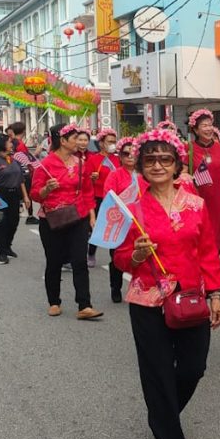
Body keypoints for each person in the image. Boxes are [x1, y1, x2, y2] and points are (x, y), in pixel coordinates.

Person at [113, 128, 220, 439]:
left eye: (165, 159)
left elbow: (207, 251)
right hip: (148, 300)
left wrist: (216, 293)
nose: (158, 165)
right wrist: (135, 256)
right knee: (158, 371)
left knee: (194, 367)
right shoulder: (130, 207)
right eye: (150, 159)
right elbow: (119, 257)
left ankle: (163, 413)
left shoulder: (195, 204)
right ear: (141, 166)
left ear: (177, 164)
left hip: (191, 297)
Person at [31, 123, 103, 321]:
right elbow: (35, 194)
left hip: (77, 217)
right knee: (54, 261)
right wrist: (47, 189)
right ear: (62, 141)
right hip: (52, 220)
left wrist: (91, 216)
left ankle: (84, 305)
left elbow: (88, 191)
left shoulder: (81, 163)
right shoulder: (45, 164)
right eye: (74, 139)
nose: (79, 142)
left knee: (80, 261)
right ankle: (54, 301)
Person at [187, 109, 220, 271]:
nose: (208, 128)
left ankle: (212, 269)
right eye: (203, 125)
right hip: (197, 199)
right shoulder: (189, 148)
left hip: (218, 199)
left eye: (210, 125)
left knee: (217, 233)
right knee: (199, 234)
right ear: (196, 129)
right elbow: (183, 173)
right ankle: (198, 267)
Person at [103, 137, 145, 304]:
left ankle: (140, 287)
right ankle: (115, 286)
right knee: (117, 258)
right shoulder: (115, 175)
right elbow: (109, 197)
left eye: (133, 153)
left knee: (141, 256)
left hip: (141, 223)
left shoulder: (144, 175)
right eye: (125, 153)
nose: (129, 156)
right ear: (120, 156)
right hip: (121, 222)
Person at [0, 134, 30, 264]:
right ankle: (2, 252)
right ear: (2, 144)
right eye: (9, 142)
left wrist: (26, 196)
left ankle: (8, 246)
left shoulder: (13, 159)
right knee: (0, 224)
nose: (12, 144)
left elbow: (21, 180)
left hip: (14, 195)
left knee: (13, 222)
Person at [86, 128, 120, 268]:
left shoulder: (118, 159)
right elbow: (86, 181)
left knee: (115, 228)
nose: (112, 144)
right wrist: (92, 177)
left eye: (114, 141)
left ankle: (115, 257)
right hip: (98, 197)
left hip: (116, 199)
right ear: (101, 143)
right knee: (98, 228)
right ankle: (91, 252)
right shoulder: (94, 159)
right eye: (109, 142)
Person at [7, 121, 39, 224]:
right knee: (27, 194)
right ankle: (29, 215)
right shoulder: (20, 144)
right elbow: (26, 160)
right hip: (23, 171)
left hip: (14, 170)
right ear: (23, 131)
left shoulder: (11, 142)